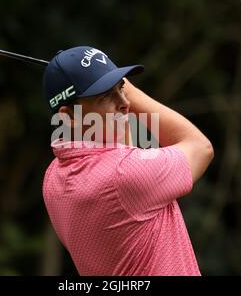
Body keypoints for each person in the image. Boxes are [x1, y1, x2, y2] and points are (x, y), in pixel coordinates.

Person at [42, 46, 214, 275]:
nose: (124, 102)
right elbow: (201, 147)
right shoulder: (125, 174)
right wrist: (132, 91)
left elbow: (121, 153)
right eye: (106, 95)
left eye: (121, 88)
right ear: (69, 116)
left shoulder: (52, 179)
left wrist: (111, 89)